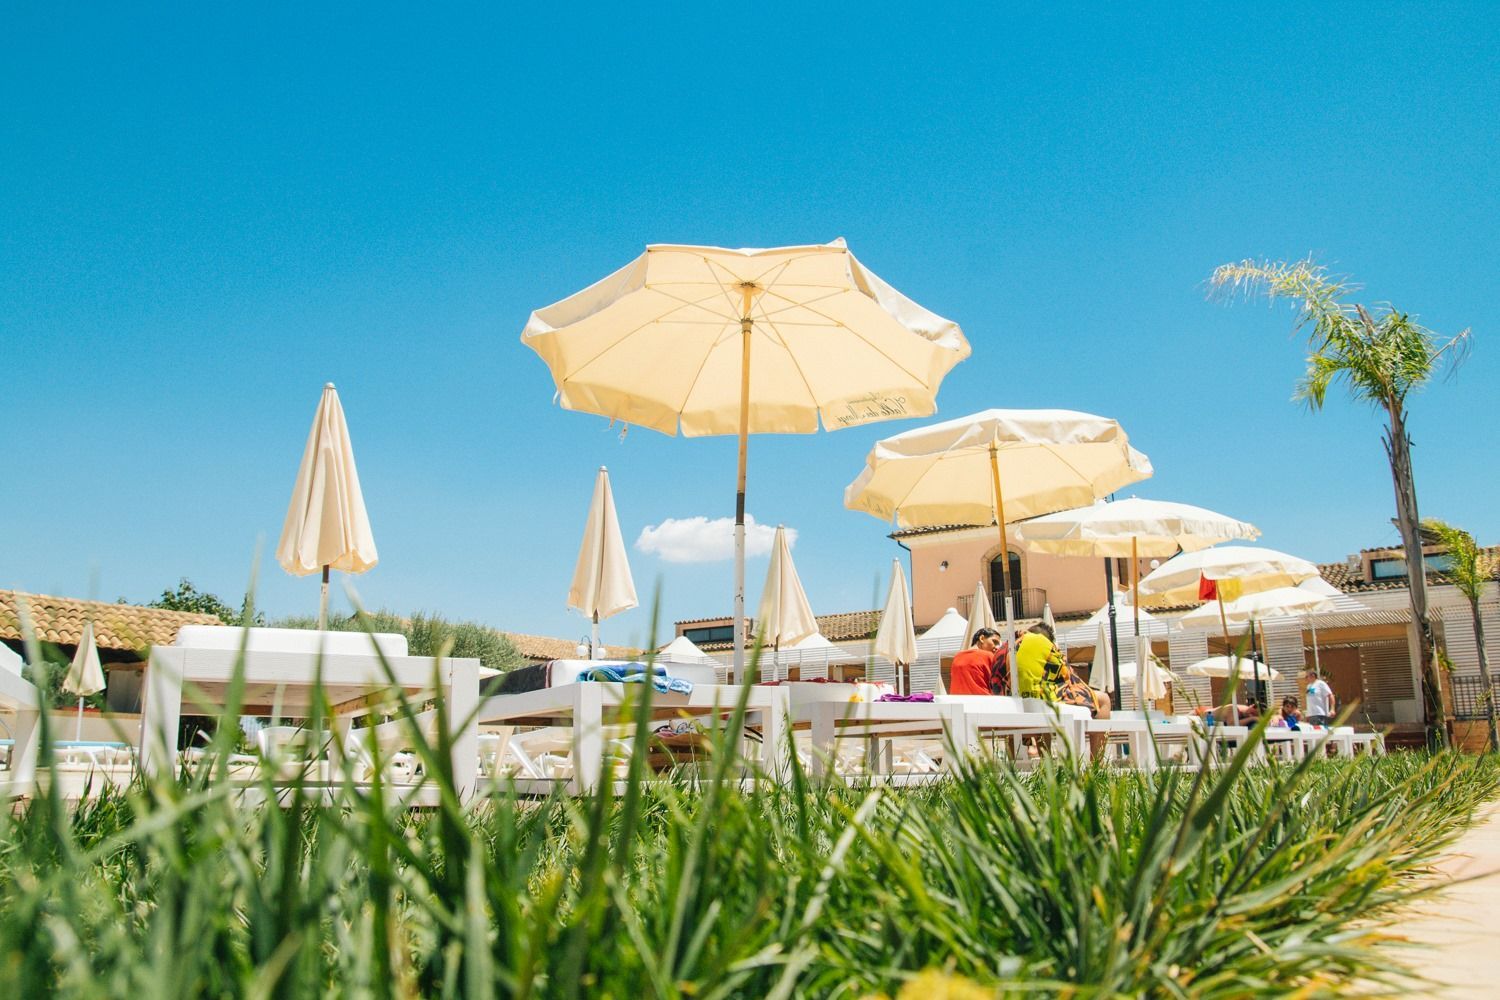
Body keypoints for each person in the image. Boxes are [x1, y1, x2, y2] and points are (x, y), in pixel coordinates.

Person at [949, 627, 1010, 695]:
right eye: (994, 642)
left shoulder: (957, 657)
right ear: (982, 638)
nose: (997, 647)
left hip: (957, 701)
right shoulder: (989, 656)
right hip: (982, 701)